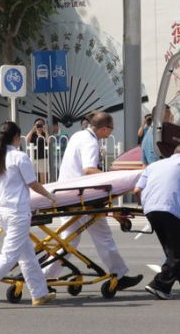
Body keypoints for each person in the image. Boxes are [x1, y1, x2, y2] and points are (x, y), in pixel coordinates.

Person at [42, 112, 142, 289]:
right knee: (102, 236)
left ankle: (42, 278)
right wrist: (113, 177)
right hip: (82, 196)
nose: (110, 133)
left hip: (67, 193)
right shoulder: (90, 142)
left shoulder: (78, 135)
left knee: (68, 240)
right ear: (103, 128)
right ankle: (118, 275)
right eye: (110, 129)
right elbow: (88, 169)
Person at [0, 121, 59, 309]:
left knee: (27, 256)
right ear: (16, 137)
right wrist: (50, 196)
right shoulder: (19, 157)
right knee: (9, 255)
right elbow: (33, 184)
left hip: (2, 211)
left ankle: (39, 294)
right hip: (17, 212)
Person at [133, 144, 180, 299]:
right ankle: (159, 284)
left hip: (151, 209)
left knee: (172, 251)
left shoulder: (154, 165)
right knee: (179, 253)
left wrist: (146, 207)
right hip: (174, 210)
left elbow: (137, 190)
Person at [25, 118, 49, 184]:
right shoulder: (33, 134)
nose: (39, 126)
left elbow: (49, 141)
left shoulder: (44, 134)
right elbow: (26, 140)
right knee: (33, 177)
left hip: (42, 157)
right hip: (33, 157)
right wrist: (33, 130)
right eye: (37, 124)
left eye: (41, 124)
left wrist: (46, 131)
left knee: (43, 178)